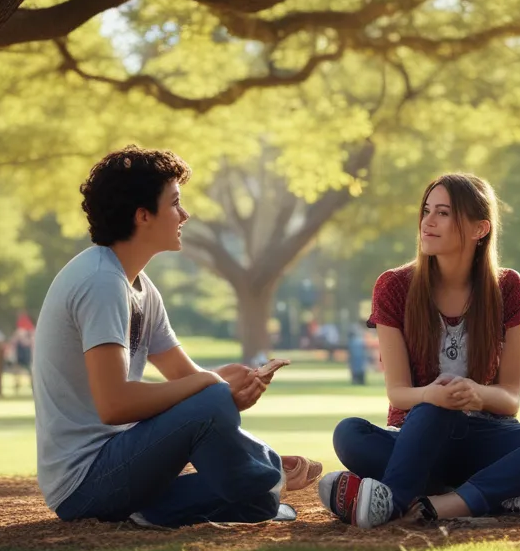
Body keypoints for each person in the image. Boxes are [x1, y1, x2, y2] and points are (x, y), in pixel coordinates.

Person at [32, 146, 321, 529]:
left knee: (249, 479)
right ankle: (267, 479)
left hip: (121, 461)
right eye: (175, 203)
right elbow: (114, 404)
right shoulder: (101, 282)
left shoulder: (140, 287)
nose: (185, 215)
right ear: (143, 215)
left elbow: (186, 379)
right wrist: (211, 387)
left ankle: (245, 491)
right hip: (85, 482)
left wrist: (231, 386)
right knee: (224, 424)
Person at [325, 173, 520, 529]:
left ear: (480, 229)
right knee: (350, 434)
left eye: (443, 213)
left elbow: (510, 399)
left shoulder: (507, 286)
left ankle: (417, 502)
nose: (427, 221)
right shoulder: (394, 286)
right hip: (418, 437)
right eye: (426, 210)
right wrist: (431, 396)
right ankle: (504, 495)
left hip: (486, 436)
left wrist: (476, 393)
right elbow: (398, 393)